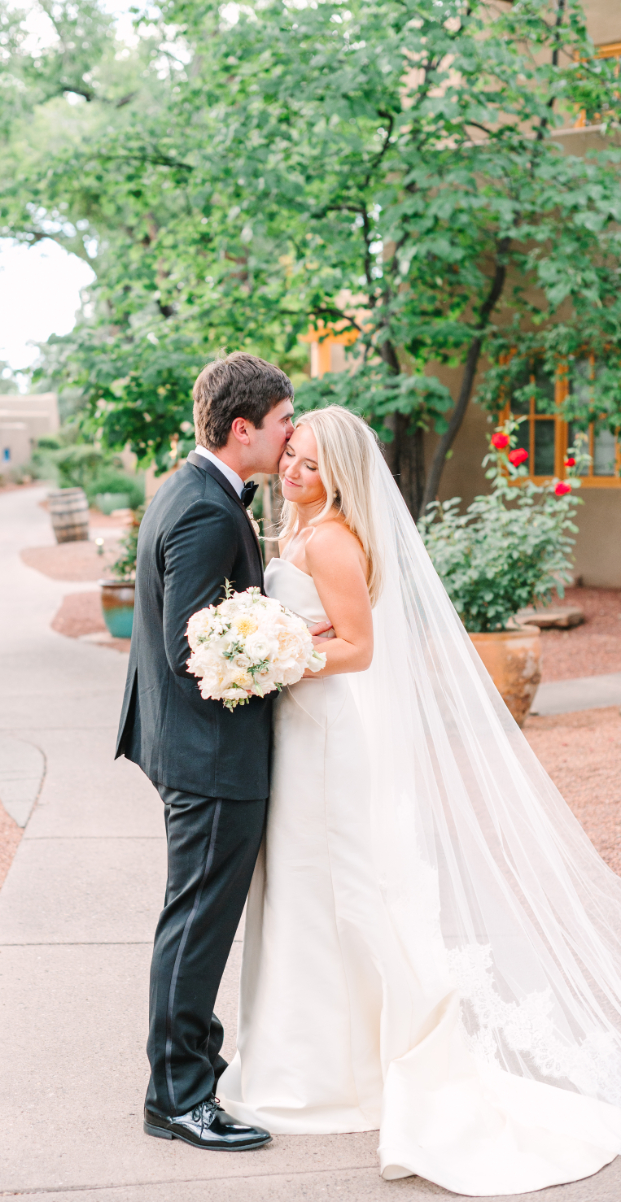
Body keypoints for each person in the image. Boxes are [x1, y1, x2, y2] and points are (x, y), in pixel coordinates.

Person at [217, 405, 621, 1195]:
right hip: (300, 735)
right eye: (291, 456)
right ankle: (311, 1063)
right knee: (300, 895)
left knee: (343, 890)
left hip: (330, 738)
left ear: (339, 476)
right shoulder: (296, 532)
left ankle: (355, 1075)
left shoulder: (331, 538)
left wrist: (273, 654)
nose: (294, 472)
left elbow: (359, 648)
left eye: (310, 465)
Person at [116, 351, 317, 1151]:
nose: (290, 432)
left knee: (196, 919)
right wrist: (286, 646)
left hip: (197, 751)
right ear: (243, 430)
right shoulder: (205, 509)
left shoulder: (195, 489)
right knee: (197, 923)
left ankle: (191, 1063)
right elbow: (193, 650)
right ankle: (178, 1096)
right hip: (210, 757)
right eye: (281, 422)